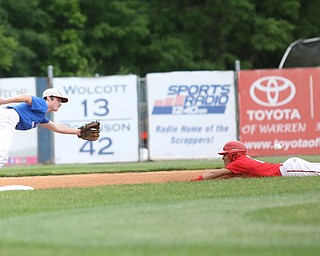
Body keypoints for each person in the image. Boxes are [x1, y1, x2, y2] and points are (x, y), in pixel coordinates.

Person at [0, 88, 82, 168]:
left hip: (5, 118)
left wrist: (78, 131)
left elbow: (57, 127)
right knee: (2, 155)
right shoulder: (42, 103)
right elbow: (26, 97)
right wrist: (4, 101)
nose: (60, 104)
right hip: (7, 118)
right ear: (49, 98)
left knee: (2, 155)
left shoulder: (40, 117)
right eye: (59, 100)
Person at [191, 140, 320, 181]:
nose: (223, 157)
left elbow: (214, 174)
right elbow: (226, 176)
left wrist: (194, 181)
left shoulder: (240, 162)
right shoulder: (241, 162)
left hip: (289, 170)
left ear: (234, 155)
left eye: (226, 154)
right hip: (288, 168)